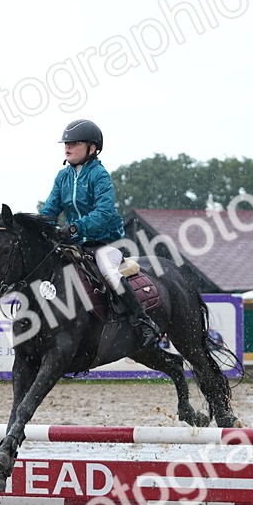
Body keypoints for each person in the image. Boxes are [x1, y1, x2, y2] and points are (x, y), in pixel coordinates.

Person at [39, 118, 160, 348]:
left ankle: (143, 322)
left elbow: (104, 212)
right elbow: (49, 211)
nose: (68, 147)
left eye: (74, 143)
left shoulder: (99, 175)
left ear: (92, 148)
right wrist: (38, 226)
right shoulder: (62, 177)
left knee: (107, 270)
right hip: (77, 242)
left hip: (107, 240)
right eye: (66, 143)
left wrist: (75, 227)